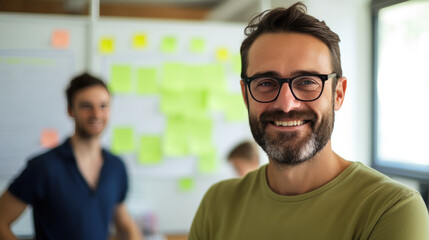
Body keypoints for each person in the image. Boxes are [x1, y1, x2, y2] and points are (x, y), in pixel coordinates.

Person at [189, 2, 429, 239]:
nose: (285, 104)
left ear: (338, 94)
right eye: (265, 83)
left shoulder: (389, 209)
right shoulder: (218, 204)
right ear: (245, 95)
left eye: (306, 82)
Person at [0, 73, 143, 240]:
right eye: (86, 106)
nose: (96, 114)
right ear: (70, 110)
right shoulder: (43, 167)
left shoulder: (116, 166)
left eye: (103, 106)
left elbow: (123, 221)